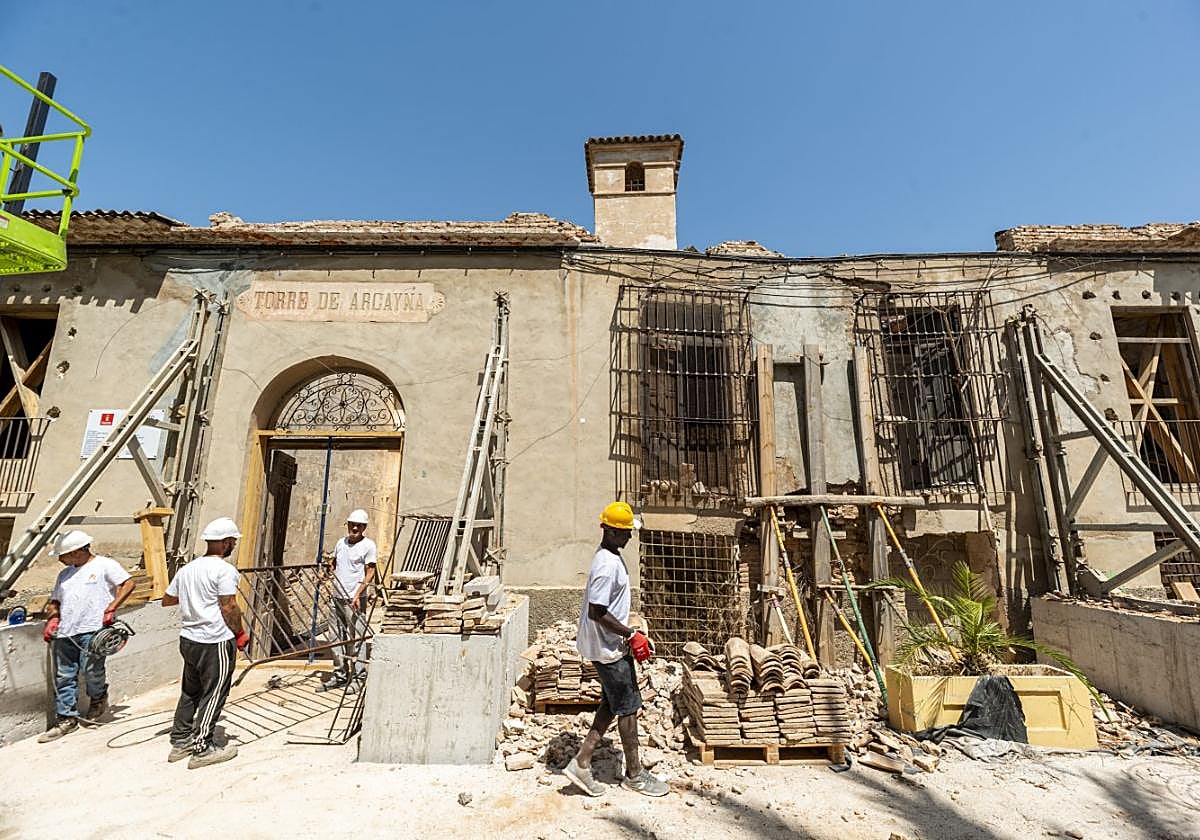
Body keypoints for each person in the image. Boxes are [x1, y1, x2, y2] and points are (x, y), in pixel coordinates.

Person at [563, 502, 668, 798]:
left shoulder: (609, 556)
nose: (629, 537)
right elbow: (598, 611)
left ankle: (582, 761)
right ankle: (635, 775)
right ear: (608, 530)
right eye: (624, 532)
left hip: (607, 644)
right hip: (607, 648)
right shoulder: (607, 565)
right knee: (629, 706)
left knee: (612, 702)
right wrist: (631, 634)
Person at [162, 516, 248, 769]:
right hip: (215, 640)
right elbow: (228, 605)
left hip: (189, 639)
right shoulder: (224, 571)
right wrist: (240, 633)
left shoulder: (187, 569)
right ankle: (203, 747)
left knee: (191, 691)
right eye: (232, 541)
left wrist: (194, 599)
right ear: (224, 543)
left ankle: (180, 740)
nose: (233, 545)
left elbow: (168, 599)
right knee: (215, 693)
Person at [37, 531, 135, 743]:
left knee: (92, 671)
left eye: (63, 555)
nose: (61, 559)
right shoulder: (64, 575)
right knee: (64, 676)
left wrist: (111, 608)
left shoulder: (104, 565)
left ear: (77, 551)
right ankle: (66, 720)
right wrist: (53, 619)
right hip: (66, 632)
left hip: (93, 629)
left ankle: (98, 698)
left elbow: (128, 584)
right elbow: (55, 601)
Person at [318, 508, 377, 693]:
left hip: (355, 599)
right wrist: (325, 574)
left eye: (359, 525)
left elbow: (370, 572)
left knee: (357, 638)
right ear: (348, 525)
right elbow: (334, 563)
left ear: (364, 527)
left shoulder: (368, 546)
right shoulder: (341, 543)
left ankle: (358, 678)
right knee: (336, 638)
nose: (355, 528)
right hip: (337, 596)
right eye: (352, 525)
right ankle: (340, 674)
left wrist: (359, 593)